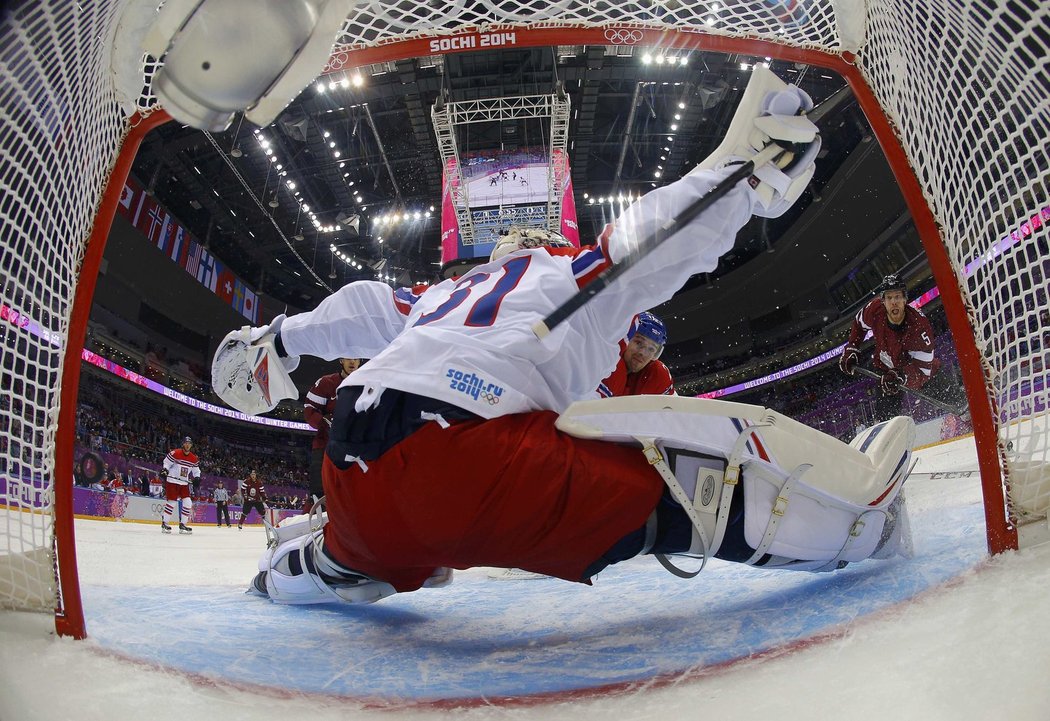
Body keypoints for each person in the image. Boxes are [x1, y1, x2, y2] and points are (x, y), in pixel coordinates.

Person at [214, 73, 912, 608]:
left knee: (385, 548)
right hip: (464, 457)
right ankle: (864, 527)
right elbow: (644, 246)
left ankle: (313, 565)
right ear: (546, 247)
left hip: (352, 462)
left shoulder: (439, 296)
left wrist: (282, 339)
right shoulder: (558, 274)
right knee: (679, 491)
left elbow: (367, 304)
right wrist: (738, 180)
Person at [838, 274, 939, 421]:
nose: (894, 302)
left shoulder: (919, 327)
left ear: (905, 299)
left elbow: (924, 370)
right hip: (886, 370)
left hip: (919, 370)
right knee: (885, 420)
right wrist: (853, 347)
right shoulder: (874, 310)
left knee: (952, 394)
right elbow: (858, 323)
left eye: (898, 297)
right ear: (883, 301)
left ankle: (967, 414)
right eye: (889, 298)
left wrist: (903, 375)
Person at [303, 358, 362, 500]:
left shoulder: (368, 385)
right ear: (341, 360)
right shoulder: (326, 383)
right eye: (348, 358)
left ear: (360, 361)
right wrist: (324, 421)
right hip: (325, 447)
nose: (352, 362)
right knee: (319, 495)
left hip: (355, 450)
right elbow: (309, 409)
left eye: (355, 358)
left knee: (352, 495)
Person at [599, 311, 676, 398]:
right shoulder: (606, 362)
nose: (642, 353)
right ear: (625, 338)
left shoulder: (657, 375)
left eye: (651, 349)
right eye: (638, 342)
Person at [160, 435, 200, 534]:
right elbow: (167, 463)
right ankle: (165, 523)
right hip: (172, 482)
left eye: (189, 443)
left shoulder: (193, 458)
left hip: (183, 484)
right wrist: (165, 470)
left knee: (188, 503)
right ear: (183, 444)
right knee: (172, 502)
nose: (187, 445)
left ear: (191, 445)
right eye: (186, 443)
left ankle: (182, 524)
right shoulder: (175, 453)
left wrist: (197, 478)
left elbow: (196, 470)